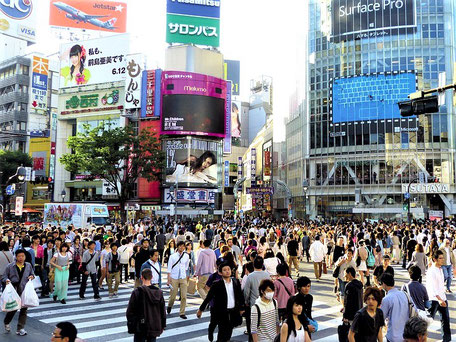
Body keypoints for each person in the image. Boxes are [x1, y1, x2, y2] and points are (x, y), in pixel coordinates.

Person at [197, 263, 245, 342]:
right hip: (222, 312)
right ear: (220, 272)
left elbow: (240, 296)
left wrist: (242, 308)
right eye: (224, 270)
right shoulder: (216, 284)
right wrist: (201, 309)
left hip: (233, 311)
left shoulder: (235, 282)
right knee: (222, 333)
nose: (227, 271)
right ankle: (213, 334)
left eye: (228, 269)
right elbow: (208, 297)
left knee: (229, 332)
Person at [126, 268, 166, 342]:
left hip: (140, 327)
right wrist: (163, 325)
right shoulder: (159, 292)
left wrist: (132, 324)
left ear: (141, 277)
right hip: (154, 325)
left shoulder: (137, 292)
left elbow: (130, 311)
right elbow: (162, 311)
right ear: (152, 277)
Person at [2, 249, 35, 336]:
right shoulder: (10, 266)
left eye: (22, 256)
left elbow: (32, 274)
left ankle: (20, 328)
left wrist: (32, 276)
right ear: (16, 257)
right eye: (19, 256)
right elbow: (4, 276)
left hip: (24, 290)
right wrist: (7, 280)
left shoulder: (28, 265)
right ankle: (6, 321)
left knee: (24, 309)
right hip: (14, 290)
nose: (21, 258)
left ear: (25, 257)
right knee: (13, 308)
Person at [243, 256, 271, 340]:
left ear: (254, 264)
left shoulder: (250, 276)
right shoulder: (267, 275)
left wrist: (246, 301)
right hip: (265, 303)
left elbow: (246, 292)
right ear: (262, 265)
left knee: (253, 326)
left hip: (254, 304)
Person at [426, 250, 451, 342]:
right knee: (427, 321)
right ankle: (419, 338)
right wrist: (439, 299)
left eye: (442, 257)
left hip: (442, 297)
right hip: (434, 299)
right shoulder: (431, 271)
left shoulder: (440, 269)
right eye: (440, 258)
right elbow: (432, 287)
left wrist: (443, 298)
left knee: (445, 320)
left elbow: (440, 286)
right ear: (434, 259)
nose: (442, 259)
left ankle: (446, 340)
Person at [380, 272, 410, 342]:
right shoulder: (405, 294)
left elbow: (381, 318)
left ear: (383, 284)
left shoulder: (386, 299)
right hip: (406, 335)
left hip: (393, 336)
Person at [166, 241, 190, 319]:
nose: (181, 248)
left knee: (184, 296)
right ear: (177, 247)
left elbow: (186, 267)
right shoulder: (172, 256)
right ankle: (170, 305)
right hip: (174, 277)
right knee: (173, 296)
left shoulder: (186, 256)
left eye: (183, 246)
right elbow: (169, 269)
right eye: (180, 246)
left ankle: (182, 313)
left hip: (183, 277)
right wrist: (168, 280)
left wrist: (187, 277)